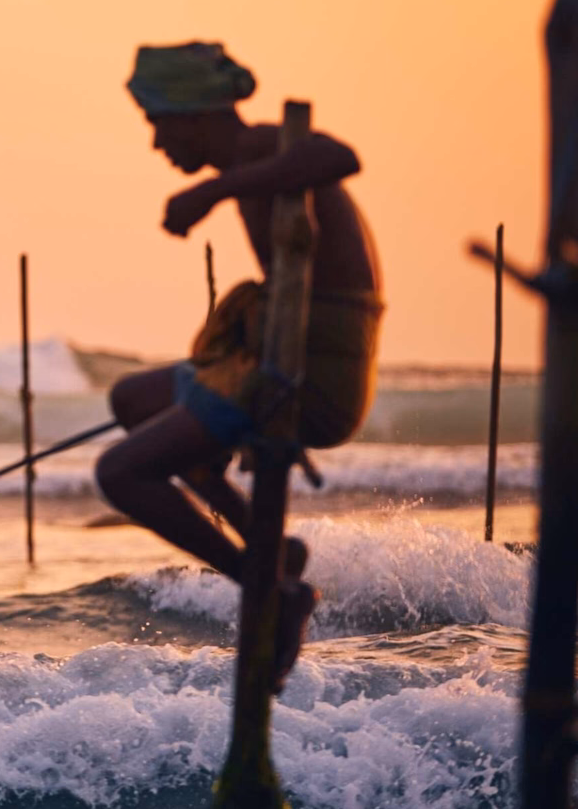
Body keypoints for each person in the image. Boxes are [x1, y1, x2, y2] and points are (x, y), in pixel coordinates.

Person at [95, 42, 384, 689]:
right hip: (280, 356)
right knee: (131, 401)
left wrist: (212, 191)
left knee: (120, 471)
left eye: (158, 123)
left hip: (312, 375)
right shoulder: (259, 163)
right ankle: (267, 547)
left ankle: (267, 585)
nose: (156, 144)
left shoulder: (262, 149)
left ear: (194, 114)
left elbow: (341, 157)